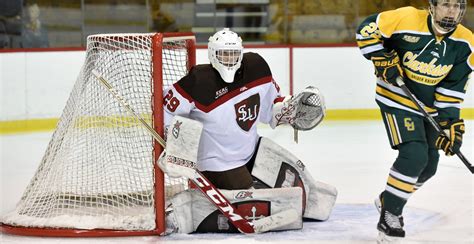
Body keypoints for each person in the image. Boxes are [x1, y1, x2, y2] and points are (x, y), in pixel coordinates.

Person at [160, 28, 337, 234]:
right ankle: (181, 212)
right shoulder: (199, 80)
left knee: (296, 185)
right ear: (212, 54)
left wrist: (287, 108)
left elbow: (271, 106)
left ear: (241, 52)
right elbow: (166, 109)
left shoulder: (257, 68)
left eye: (233, 53)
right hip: (218, 162)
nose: (228, 59)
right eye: (223, 54)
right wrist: (174, 141)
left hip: (251, 149)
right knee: (261, 203)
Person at [356, 0, 472, 242]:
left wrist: (451, 125)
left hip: (428, 106)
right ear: (432, 6)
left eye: (457, 5)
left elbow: (452, 90)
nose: (452, 10)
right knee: (415, 155)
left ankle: (389, 198)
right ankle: (390, 216)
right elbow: (366, 30)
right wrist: (381, 58)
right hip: (396, 97)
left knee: (429, 166)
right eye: (446, 4)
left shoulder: (466, 43)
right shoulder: (406, 18)